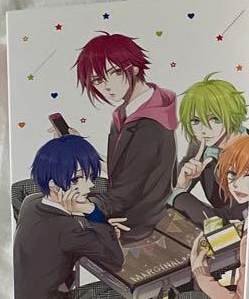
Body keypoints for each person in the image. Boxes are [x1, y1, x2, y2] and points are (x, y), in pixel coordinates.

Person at [14, 136, 137, 299]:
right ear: (54, 185)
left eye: (89, 176)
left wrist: (89, 223)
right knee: (132, 295)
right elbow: (115, 260)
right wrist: (93, 213)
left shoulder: (30, 203)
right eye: (78, 179)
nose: (89, 186)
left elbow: (61, 231)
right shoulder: (68, 229)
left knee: (117, 290)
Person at [164, 134, 249, 299]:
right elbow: (223, 217)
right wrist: (181, 188)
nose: (237, 184)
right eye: (232, 175)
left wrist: (202, 276)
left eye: (247, 176)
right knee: (194, 297)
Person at [74, 32, 178, 242]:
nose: (107, 86)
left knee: (43, 208)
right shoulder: (127, 112)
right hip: (128, 203)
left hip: (136, 221)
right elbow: (122, 170)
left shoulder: (149, 125)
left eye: (115, 72)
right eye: (98, 80)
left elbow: (124, 193)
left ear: (135, 67)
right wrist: (80, 146)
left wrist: (83, 206)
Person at [169, 74, 249, 226]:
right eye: (195, 121)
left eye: (215, 119)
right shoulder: (200, 147)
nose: (204, 129)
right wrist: (182, 185)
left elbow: (224, 221)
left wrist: (179, 195)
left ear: (232, 115)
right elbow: (169, 198)